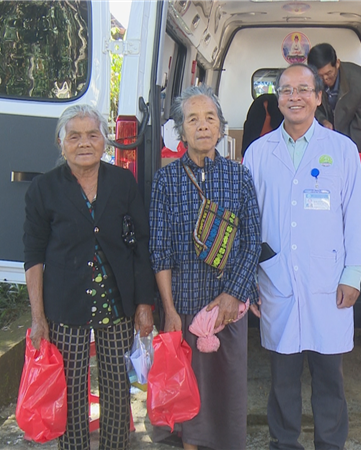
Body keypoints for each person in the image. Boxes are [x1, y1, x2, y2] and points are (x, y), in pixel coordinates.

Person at [243, 63, 361, 450]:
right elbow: (249, 221)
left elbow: (356, 214)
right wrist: (249, 280)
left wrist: (353, 274)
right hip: (276, 280)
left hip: (328, 281)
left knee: (329, 376)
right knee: (282, 376)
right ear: (276, 98)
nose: (293, 97)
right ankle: (285, 443)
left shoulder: (341, 150)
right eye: (285, 90)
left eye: (303, 90)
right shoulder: (258, 153)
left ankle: (330, 444)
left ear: (318, 97)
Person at [23, 104, 155, 450]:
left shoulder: (123, 182)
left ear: (105, 141)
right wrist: (38, 318)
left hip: (117, 305)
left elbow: (142, 244)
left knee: (116, 387)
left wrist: (144, 303)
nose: (84, 143)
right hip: (66, 307)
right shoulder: (44, 189)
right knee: (70, 389)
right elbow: (33, 257)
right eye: (75, 136)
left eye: (92, 135)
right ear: (61, 142)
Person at [149, 85, 262, 450]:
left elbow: (251, 240)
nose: (202, 126)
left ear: (221, 127)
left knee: (227, 389)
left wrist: (234, 295)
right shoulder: (166, 180)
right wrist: (168, 310)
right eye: (192, 119)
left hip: (227, 307)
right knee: (188, 388)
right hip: (184, 303)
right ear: (181, 131)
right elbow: (160, 249)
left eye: (210, 118)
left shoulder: (238, 176)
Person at [307, 43, 361, 153]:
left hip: (353, 142)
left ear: (337, 63)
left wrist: (348, 150)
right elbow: (310, 107)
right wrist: (323, 120)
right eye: (320, 76)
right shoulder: (310, 80)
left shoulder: (360, 81)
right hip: (326, 140)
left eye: (329, 73)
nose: (325, 79)